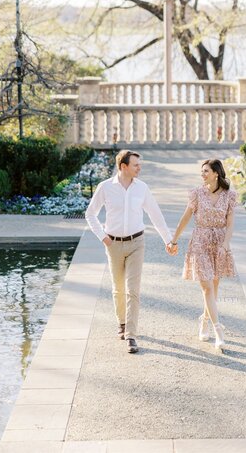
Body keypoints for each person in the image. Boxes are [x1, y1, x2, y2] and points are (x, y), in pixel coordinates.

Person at [85, 150, 175, 354]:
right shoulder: (105, 187)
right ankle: (122, 323)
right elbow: (90, 213)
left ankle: (131, 335)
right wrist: (103, 237)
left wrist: (168, 240)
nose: (139, 168)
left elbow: (155, 215)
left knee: (133, 289)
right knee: (118, 288)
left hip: (137, 243)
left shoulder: (142, 188)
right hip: (113, 244)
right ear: (123, 166)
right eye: (135, 165)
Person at [167, 159, 236, 351]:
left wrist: (225, 244)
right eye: (202, 171)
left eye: (206, 171)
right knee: (206, 287)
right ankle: (218, 331)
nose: (202, 174)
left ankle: (204, 319)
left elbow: (230, 223)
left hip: (219, 242)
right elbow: (185, 217)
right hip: (200, 240)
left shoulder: (230, 196)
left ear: (216, 173)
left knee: (214, 286)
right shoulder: (196, 194)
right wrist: (173, 240)